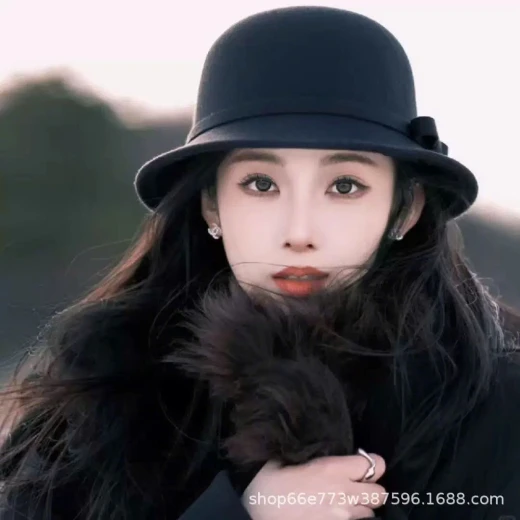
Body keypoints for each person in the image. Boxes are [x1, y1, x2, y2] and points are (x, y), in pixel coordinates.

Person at [0, 5, 519, 520]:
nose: (299, 233)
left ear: (405, 209)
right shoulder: (102, 402)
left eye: (344, 186)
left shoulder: (499, 410)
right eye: (261, 184)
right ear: (211, 204)